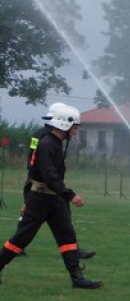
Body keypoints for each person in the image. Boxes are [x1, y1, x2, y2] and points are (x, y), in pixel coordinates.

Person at [0, 103, 102, 289]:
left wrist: (62, 196)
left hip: (54, 199)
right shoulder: (47, 144)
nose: (76, 132)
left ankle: (77, 277)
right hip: (40, 198)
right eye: (75, 127)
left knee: (67, 235)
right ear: (65, 124)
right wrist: (70, 195)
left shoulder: (55, 143)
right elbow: (49, 175)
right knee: (22, 238)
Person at [17, 108, 97, 261]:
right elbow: (32, 155)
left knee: (63, 218)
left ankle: (74, 252)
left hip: (53, 185)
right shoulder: (42, 136)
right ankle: (19, 246)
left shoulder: (57, 139)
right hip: (39, 183)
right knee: (28, 219)